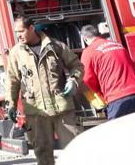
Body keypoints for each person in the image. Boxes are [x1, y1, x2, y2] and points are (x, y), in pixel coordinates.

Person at [5, 17, 83, 165]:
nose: (18, 35)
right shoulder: (16, 53)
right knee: (43, 154)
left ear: (32, 28)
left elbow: (77, 65)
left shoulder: (55, 46)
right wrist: (11, 104)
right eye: (16, 32)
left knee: (73, 149)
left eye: (21, 31)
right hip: (37, 113)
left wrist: (73, 80)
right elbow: (12, 81)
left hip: (62, 109)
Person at [80, 24, 135, 119]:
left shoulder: (88, 51)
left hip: (119, 99)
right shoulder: (117, 44)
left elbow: (86, 79)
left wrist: (101, 95)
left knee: (117, 132)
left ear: (85, 39)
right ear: (98, 34)